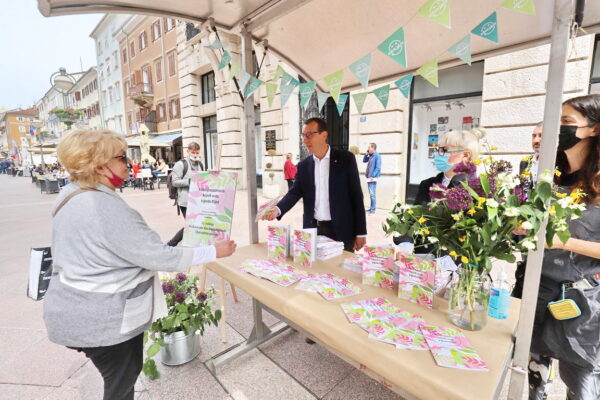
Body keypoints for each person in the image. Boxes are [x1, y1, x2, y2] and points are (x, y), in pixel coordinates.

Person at [43, 129, 236, 400]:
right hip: (103, 320)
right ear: (99, 166)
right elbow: (160, 257)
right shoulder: (102, 207)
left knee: (118, 378)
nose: (129, 164)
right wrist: (212, 251)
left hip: (75, 310)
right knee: (121, 382)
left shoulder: (71, 192)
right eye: (122, 157)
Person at [529, 94, 600, 400]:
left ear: (594, 129)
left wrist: (562, 240)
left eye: (567, 123)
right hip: (538, 291)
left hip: (583, 302)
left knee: (582, 385)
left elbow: (557, 237)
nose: (558, 130)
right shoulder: (552, 177)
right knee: (534, 377)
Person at [262, 117, 367, 253]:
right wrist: (277, 209)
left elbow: (356, 196)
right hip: (313, 230)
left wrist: (361, 233)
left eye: (309, 135)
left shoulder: (345, 159)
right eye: (303, 136)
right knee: (314, 271)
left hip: (342, 230)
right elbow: (294, 192)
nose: (305, 140)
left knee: (340, 271)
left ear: (324, 135)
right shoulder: (304, 165)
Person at [414, 128, 486, 205]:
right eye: (439, 149)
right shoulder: (426, 184)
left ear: (465, 155)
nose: (438, 154)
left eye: (444, 150)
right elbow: (415, 214)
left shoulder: (477, 189)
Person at [512, 122, 543, 299]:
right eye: (534, 136)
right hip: (523, 226)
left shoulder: (560, 164)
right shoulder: (526, 161)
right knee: (525, 264)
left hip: (542, 225)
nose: (536, 140)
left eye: (541, 136)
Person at [167, 142, 205, 247]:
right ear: (188, 151)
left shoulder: (200, 164)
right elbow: (175, 182)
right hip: (185, 201)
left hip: (198, 200)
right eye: (193, 152)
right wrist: (190, 181)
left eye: (197, 152)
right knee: (191, 225)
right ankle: (171, 244)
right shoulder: (180, 164)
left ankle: (194, 244)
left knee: (196, 224)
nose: (195, 154)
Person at [363, 143, 381, 214]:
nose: (368, 149)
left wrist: (372, 176)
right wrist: (366, 154)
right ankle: (371, 208)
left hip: (372, 178)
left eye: (369, 147)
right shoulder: (371, 156)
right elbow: (364, 160)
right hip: (368, 178)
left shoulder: (377, 156)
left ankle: (373, 210)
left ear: (373, 148)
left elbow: (378, 168)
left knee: (372, 194)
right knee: (371, 194)